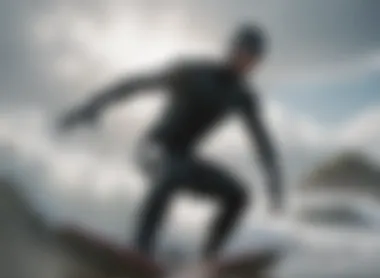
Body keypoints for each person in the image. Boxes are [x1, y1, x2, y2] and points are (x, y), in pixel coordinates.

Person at [60, 24, 284, 262]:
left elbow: (262, 140)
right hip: (153, 149)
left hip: (184, 158)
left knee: (239, 195)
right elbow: (136, 84)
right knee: (173, 171)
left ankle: (210, 256)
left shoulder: (243, 97)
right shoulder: (193, 72)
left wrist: (273, 177)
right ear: (232, 49)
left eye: (253, 58)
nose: (247, 61)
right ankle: (141, 248)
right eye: (244, 52)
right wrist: (92, 106)